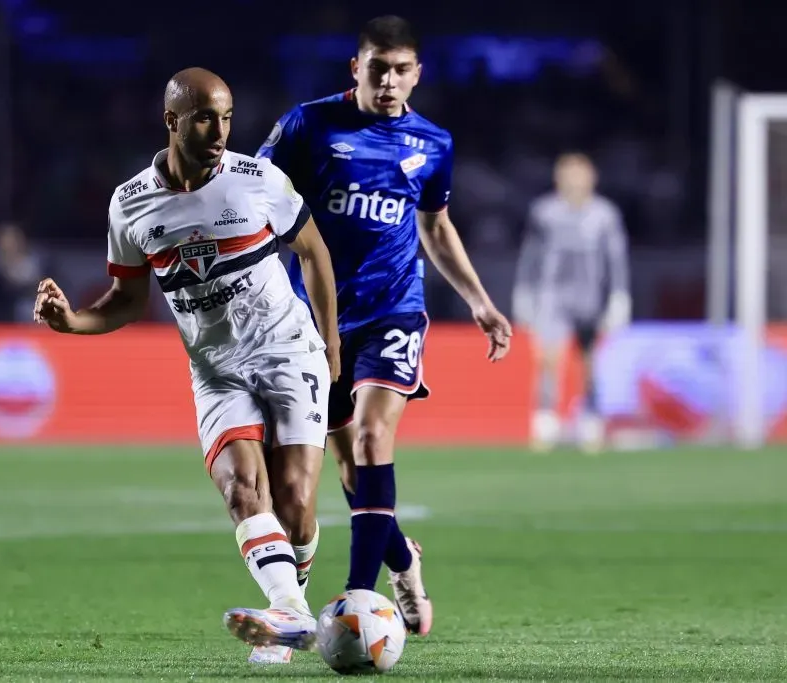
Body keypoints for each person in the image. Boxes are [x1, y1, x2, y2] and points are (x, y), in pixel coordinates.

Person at [34, 67, 340, 656]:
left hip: (286, 349)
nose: (219, 130)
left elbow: (314, 252)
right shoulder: (129, 206)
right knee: (241, 490)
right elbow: (125, 300)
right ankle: (293, 617)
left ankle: (287, 608)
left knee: (297, 506)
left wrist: (331, 343)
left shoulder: (258, 180)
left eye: (226, 117)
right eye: (204, 117)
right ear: (172, 121)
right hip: (216, 370)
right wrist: (72, 322)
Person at [255, 14, 512, 657]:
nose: (390, 81)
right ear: (356, 68)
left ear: (417, 73)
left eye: (401, 70)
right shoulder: (307, 125)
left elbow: (437, 226)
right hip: (312, 320)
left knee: (372, 438)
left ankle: (353, 602)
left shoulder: (432, 142)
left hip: (394, 311)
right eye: (378, 69)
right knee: (345, 465)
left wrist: (479, 301)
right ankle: (403, 560)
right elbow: (253, 196)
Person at [512, 152, 631, 453]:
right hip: (552, 294)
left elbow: (615, 258)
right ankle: (545, 423)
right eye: (569, 174)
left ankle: (591, 422)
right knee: (549, 359)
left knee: (589, 361)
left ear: (592, 178)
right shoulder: (545, 211)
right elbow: (530, 256)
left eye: (581, 174)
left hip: (589, 295)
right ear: (559, 178)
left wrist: (619, 295)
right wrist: (524, 293)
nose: (575, 180)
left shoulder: (605, 214)